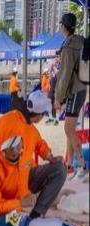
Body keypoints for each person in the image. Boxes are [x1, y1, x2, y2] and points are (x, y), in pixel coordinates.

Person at [0, 91, 62, 207]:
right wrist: (24, 196)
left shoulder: (24, 121)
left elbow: (38, 142)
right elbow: (21, 165)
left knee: (22, 177)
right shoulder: (16, 126)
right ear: (39, 116)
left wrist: (49, 156)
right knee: (15, 185)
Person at [55, 12, 88, 182]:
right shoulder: (80, 41)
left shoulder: (68, 45)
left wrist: (57, 98)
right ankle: (69, 165)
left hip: (74, 90)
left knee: (68, 129)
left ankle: (82, 167)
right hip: (80, 89)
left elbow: (64, 74)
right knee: (71, 128)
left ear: (64, 27)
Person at [46, 52, 61, 126]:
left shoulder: (61, 66)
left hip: (58, 87)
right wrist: (48, 84)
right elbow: (50, 76)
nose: (56, 58)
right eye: (55, 56)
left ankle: (57, 119)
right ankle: (51, 117)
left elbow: (60, 76)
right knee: (48, 102)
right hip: (52, 87)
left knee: (57, 103)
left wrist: (56, 70)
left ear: (60, 57)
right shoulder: (52, 66)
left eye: (57, 56)